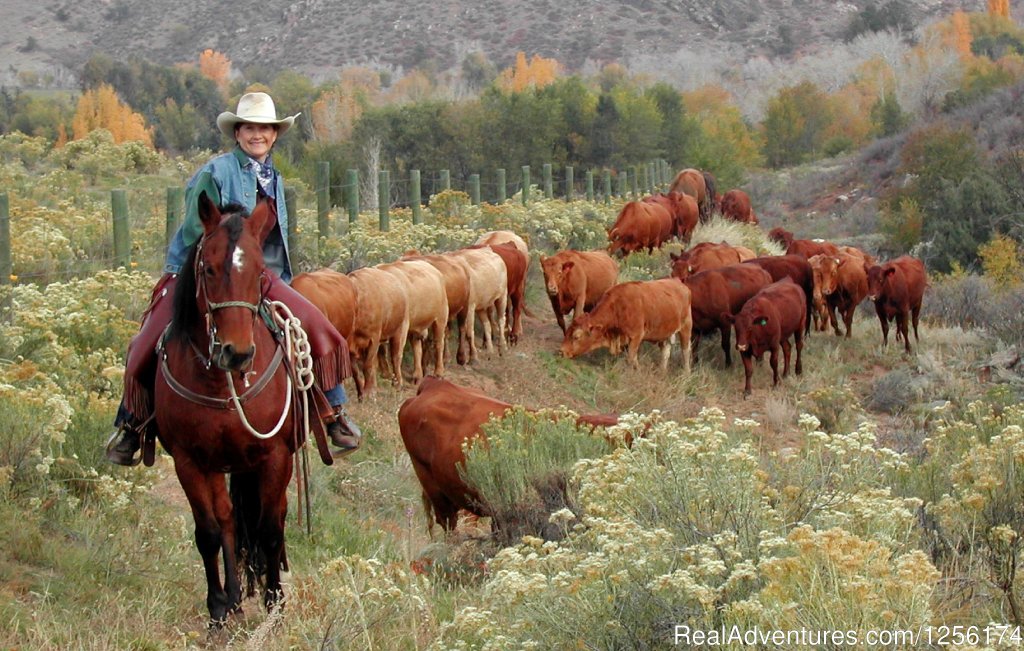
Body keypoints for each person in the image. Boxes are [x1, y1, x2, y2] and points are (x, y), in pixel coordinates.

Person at [105, 91, 361, 465]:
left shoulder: (273, 176)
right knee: (148, 338)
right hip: (202, 272)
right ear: (237, 133)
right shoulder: (215, 171)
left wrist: (264, 272)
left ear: (274, 135)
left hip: (261, 275)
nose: (257, 135)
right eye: (249, 128)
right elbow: (196, 228)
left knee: (316, 327)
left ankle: (333, 411)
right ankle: (130, 423)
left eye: (264, 129)